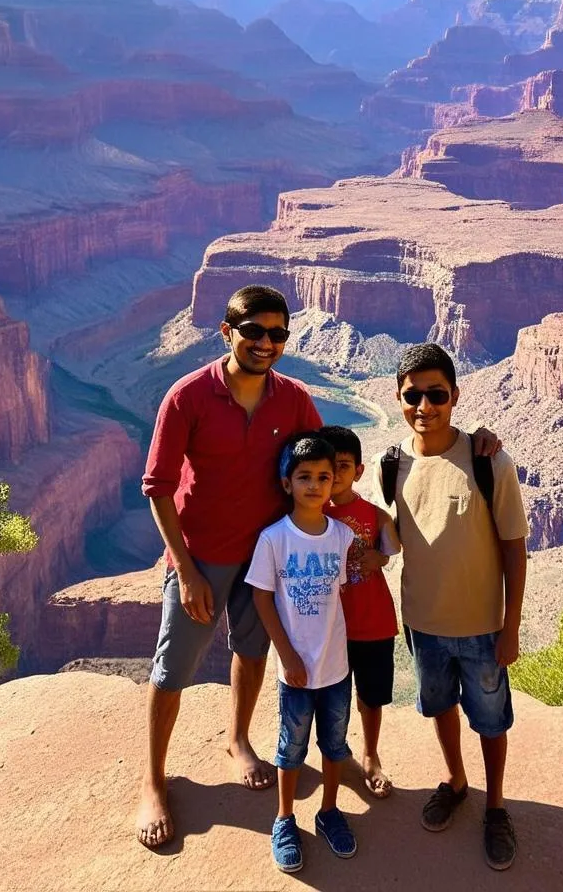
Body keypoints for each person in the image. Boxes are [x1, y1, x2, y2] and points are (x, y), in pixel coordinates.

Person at [136, 285, 322, 848]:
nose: (267, 343)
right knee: (174, 666)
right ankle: (152, 780)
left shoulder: (292, 398)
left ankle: (238, 739)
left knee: (252, 648)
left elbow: (331, 458)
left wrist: (453, 442)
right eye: (255, 332)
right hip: (202, 556)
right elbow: (158, 487)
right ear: (226, 332)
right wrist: (186, 570)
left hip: (265, 553)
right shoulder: (187, 396)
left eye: (278, 335)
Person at [371, 342, 529, 871]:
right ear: (398, 397)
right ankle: (456, 782)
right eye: (413, 395)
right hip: (423, 624)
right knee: (439, 708)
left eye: (436, 394)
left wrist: (511, 627)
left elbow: (513, 547)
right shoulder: (390, 464)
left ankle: (496, 805)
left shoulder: (489, 461)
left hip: (483, 625)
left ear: (455, 396)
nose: (425, 405)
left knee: (490, 720)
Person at [247, 433, 357, 873]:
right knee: (290, 748)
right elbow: (261, 599)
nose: (315, 485)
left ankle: (329, 810)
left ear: (334, 483)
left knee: (334, 745)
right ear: (287, 483)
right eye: (304, 476)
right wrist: (287, 655)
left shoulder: (342, 536)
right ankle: (284, 818)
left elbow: (344, 587)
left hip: (336, 668)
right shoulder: (274, 539)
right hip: (293, 671)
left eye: (323, 477)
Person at [318, 424, 400, 799]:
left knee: (370, 696)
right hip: (329, 626)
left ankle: (370, 754)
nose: (335, 476)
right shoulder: (311, 513)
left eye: (344, 466)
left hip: (372, 622)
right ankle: (335, 755)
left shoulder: (374, 514)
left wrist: (381, 555)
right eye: (328, 468)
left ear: (359, 471)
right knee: (332, 697)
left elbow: (395, 547)